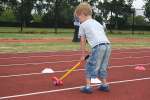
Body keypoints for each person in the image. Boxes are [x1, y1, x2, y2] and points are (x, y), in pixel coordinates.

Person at [74, 2, 111, 94]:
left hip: (98, 47)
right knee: (102, 67)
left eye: (78, 17)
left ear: (82, 13)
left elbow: (83, 40)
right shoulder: (98, 23)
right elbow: (101, 36)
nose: (79, 20)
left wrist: (82, 55)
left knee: (89, 66)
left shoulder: (82, 25)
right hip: (108, 46)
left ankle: (87, 87)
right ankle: (104, 85)